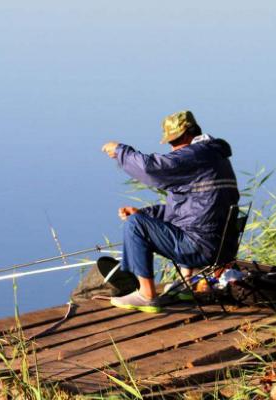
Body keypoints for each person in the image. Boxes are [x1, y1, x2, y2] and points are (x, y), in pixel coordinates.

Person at [101, 110, 239, 313]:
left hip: (200, 247)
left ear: (187, 134)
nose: (173, 148)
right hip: (222, 248)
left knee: (134, 225)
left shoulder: (195, 155)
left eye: (174, 141)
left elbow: (152, 169)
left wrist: (121, 152)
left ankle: (146, 295)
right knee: (142, 219)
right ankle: (187, 283)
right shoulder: (215, 156)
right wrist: (146, 213)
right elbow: (192, 208)